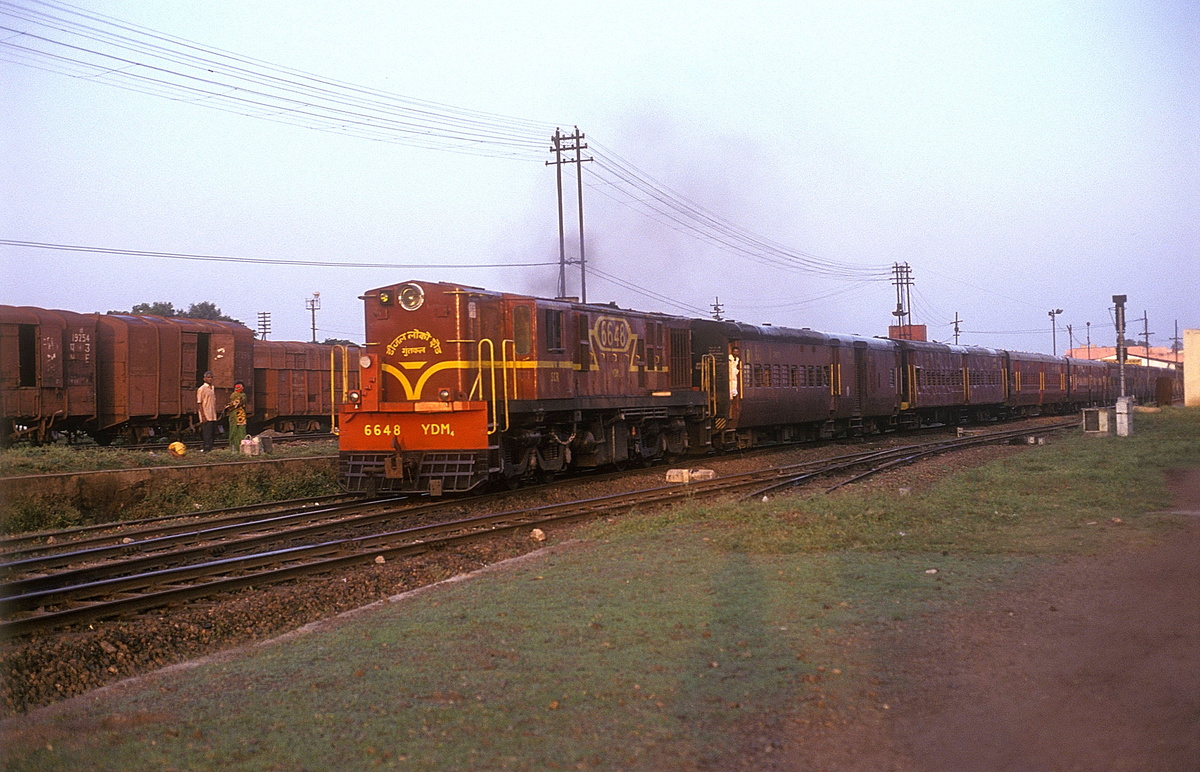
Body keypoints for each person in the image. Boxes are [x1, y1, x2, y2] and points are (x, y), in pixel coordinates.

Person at [196, 371, 217, 452]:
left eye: (211, 377)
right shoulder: (202, 389)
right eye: (208, 377)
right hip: (206, 414)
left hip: (212, 414)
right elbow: (199, 403)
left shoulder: (212, 388)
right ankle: (206, 449)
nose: (210, 379)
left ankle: (210, 448)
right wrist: (203, 416)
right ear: (204, 379)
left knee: (212, 433)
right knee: (207, 433)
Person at [225, 380, 248, 451]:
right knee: (241, 433)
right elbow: (243, 404)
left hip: (233, 416)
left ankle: (233, 449)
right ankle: (241, 449)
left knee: (233, 432)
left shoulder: (232, 395)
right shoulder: (243, 395)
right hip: (241, 417)